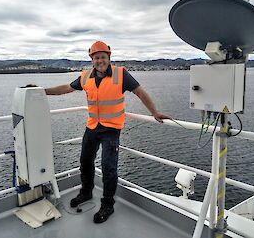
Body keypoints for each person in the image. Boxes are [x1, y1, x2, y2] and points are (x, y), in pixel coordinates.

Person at [44, 41, 170, 224]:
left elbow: (141, 93)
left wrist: (155, 113)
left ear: (109, 58)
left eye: (103, 57)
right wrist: (42, 91)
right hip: (92, 127)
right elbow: (65, 89)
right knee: (85, 162)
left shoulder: (121, 75)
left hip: (111, 129)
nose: (100, 61)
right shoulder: (85, 77)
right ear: (92, 60)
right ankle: (86, 192)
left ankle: (107, 204)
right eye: (96, 58)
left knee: (108, 168)